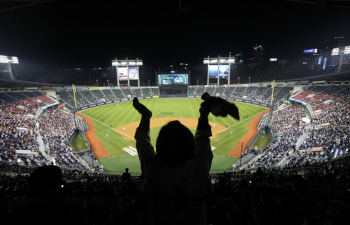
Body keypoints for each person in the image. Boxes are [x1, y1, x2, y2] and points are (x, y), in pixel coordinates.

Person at [133, 97, 213, 225]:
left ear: (159, 149)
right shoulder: (200, 169)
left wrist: (146, 117)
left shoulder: (153, 171)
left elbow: (142, 144)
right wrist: (203, 116)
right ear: (190, 149)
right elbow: (203, 141)